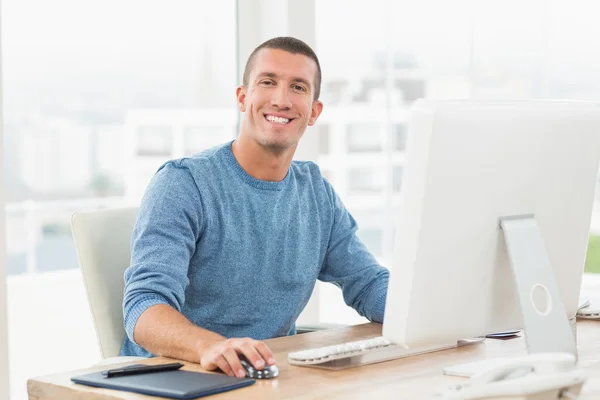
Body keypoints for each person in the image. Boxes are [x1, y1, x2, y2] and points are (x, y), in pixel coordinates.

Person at [120, 36, 389, 379]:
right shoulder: (184, 183)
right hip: (172, 377)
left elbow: (367, 284)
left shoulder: (317, 194)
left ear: (313, 112)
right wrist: (211, 346)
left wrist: (432, 310)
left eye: (298, 87)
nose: (281, 99)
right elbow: (143, 308)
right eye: (267, 82)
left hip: (262, 379)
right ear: (243, 97)